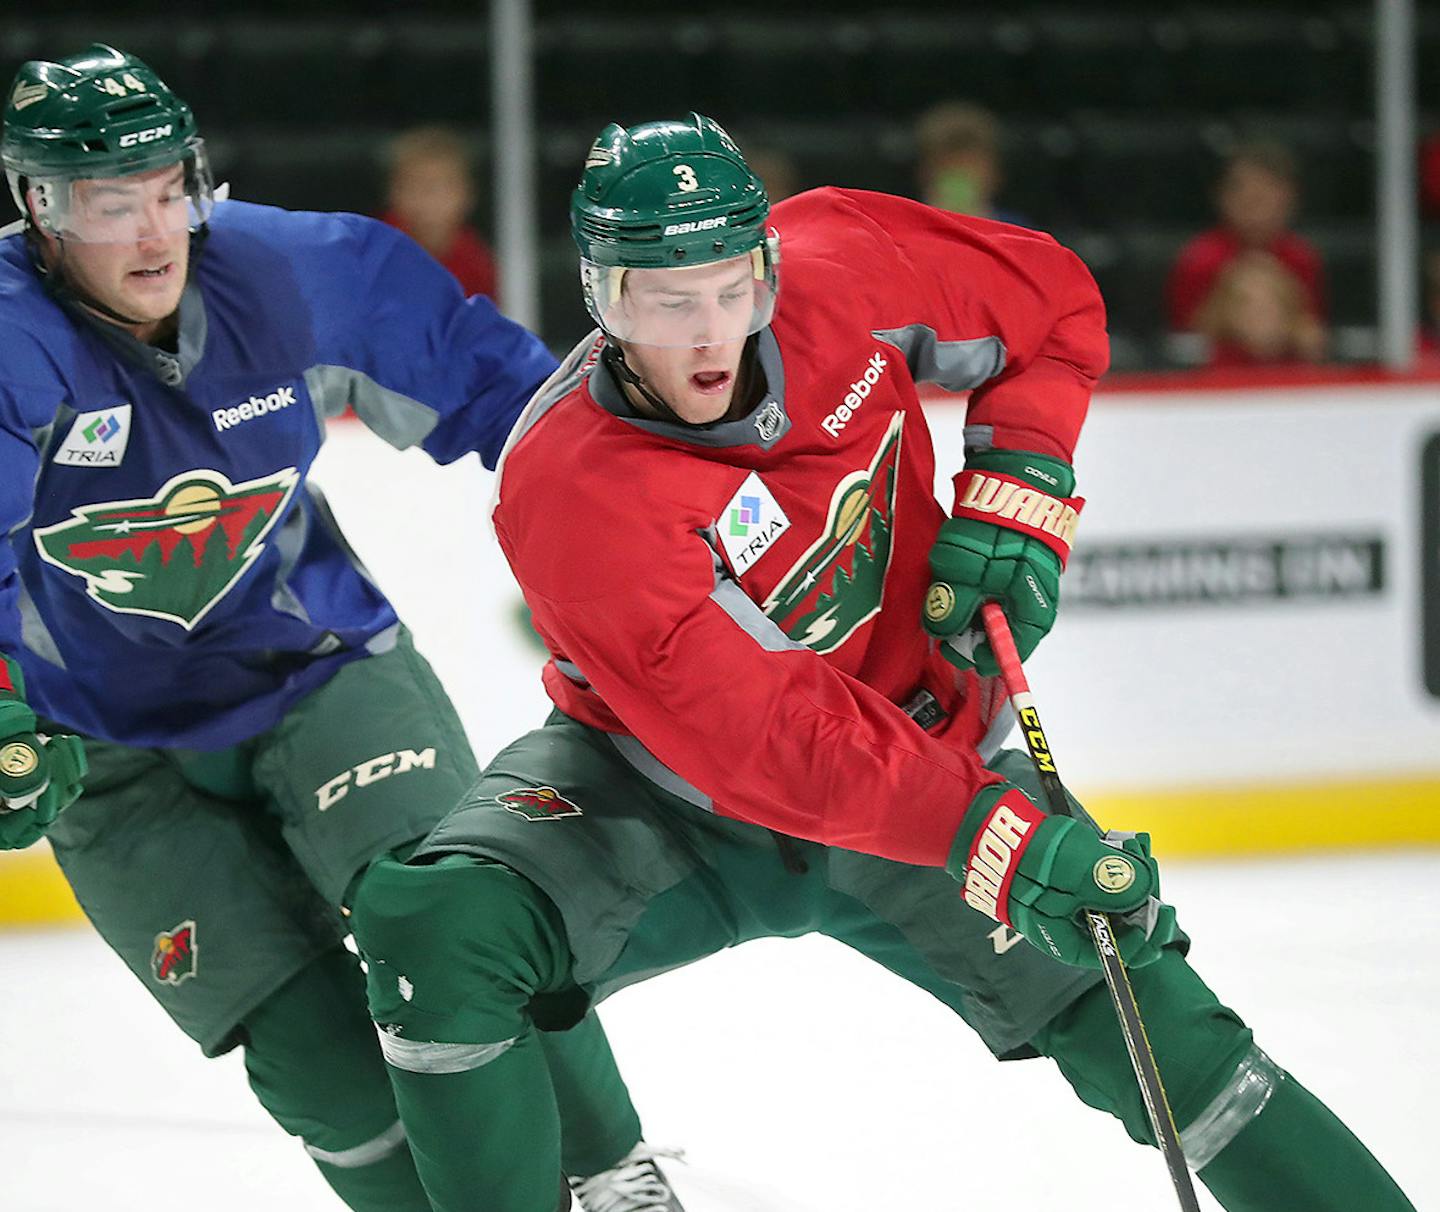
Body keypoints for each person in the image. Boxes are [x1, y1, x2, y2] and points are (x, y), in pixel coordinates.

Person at [347, 114, 1418, 1212]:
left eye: (733, 288)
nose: (711, 335)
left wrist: (1021, 489)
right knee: (439, 927)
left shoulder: (843, 266)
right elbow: (765, 736)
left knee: (1168, 1032)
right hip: (665, 801)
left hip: (924, 753)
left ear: (769, 263)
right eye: (663, 303)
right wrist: (993, 836)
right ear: (603, 299)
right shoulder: (573, 486)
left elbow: (1050, 305)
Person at [0, 45, 678, 1212]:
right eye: (114, 204)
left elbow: (524, 407)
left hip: (318, 670)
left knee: (465, 918)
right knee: (316, 1064)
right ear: (39, 210)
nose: (156, 231)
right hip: (106, 753)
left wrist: (654, 533)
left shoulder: (290, 271)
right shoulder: (9, 339)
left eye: (170, 188)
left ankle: (612, 1170)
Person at [1167, 141, 1326, 340]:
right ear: (1222, 197)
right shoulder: (1199, 260)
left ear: (1289, 198)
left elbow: (1312, 333)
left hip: (1286, 368)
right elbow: (1186, 339)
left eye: (1265, 195)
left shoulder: (1302, 258)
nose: (1254, 204)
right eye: (1244, 192)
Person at [381, 125, 499, 301]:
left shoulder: (477, 264)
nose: (426, 200)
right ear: (392, 192)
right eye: (412, 186)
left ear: (466, 195)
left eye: (437, 188)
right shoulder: (373, 247)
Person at [1193, 249, 1326, 366]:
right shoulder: (1207, 364)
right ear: (1224, 311)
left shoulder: (1307, 364)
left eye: (1270, 302)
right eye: (1244, 303)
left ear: (1289, 309)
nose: (1258, 311)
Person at [913, 99, 1027, 226]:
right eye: (948, 162)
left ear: (996, 174)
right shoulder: (904, 226)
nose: (961, 170)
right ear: (923, 172)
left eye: (973, 164)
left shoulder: (1019, 231)